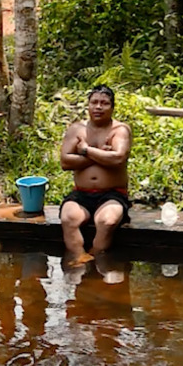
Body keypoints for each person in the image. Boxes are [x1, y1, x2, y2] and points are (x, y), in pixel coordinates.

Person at [59, 85, 132, 267]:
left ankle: (95, 257)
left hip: (112, 194)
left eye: (104, 103)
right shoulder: (76, 129)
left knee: (107, 221)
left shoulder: (120, 130)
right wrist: (98, 154)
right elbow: (65, 162)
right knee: (68, 218)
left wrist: (85, 150)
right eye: (94, 102)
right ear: (88, 106)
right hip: (81, 193)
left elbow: (118, 158)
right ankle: (80, 257)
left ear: (112, 107)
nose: (98, 107)